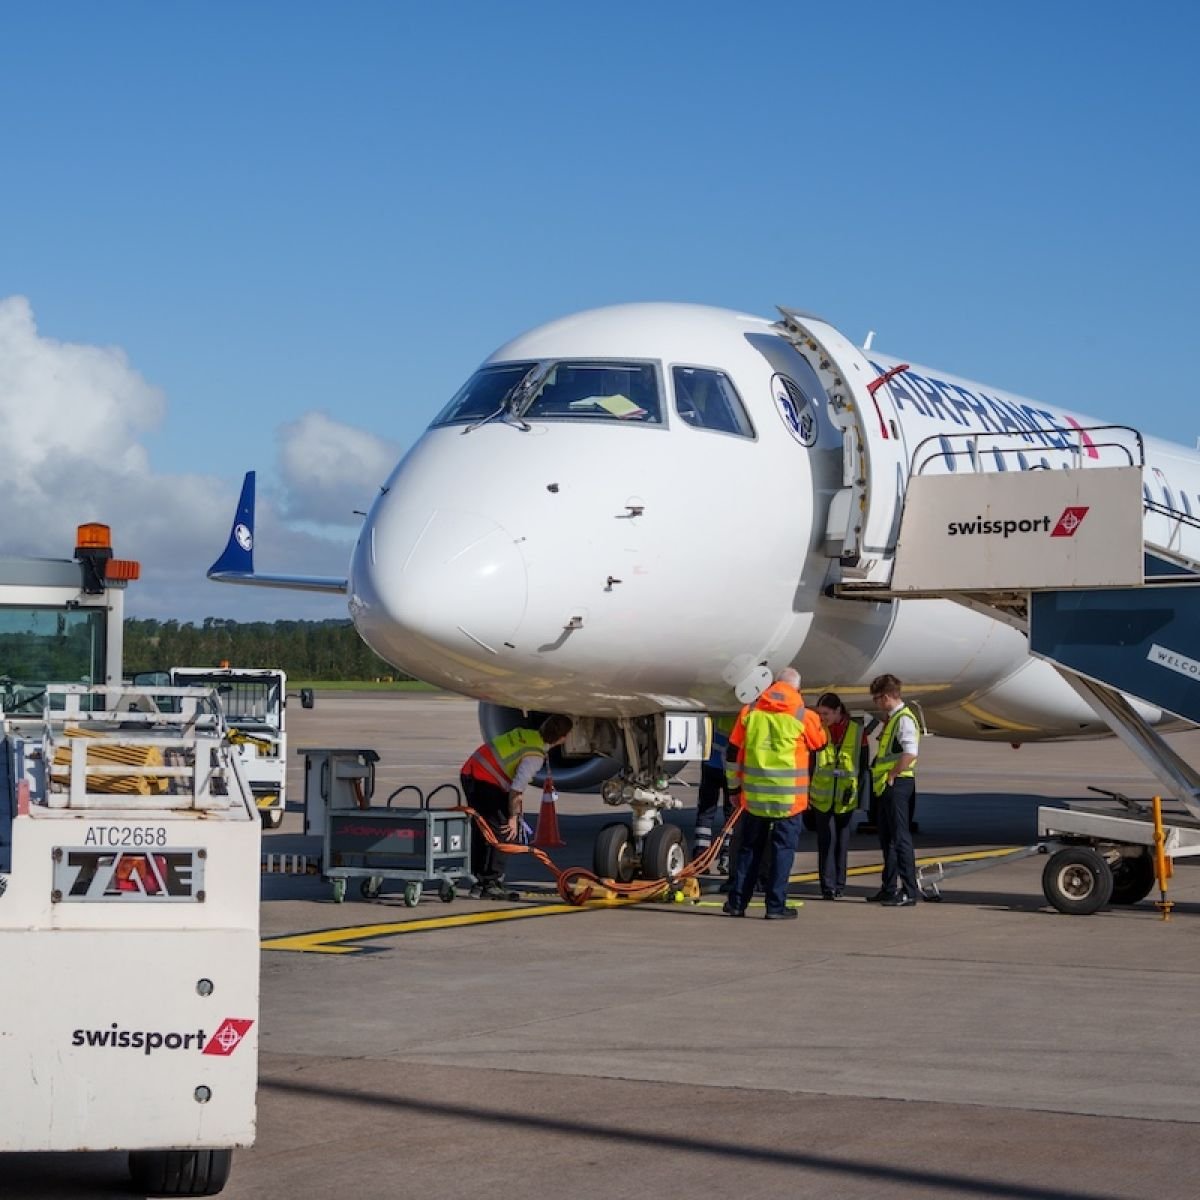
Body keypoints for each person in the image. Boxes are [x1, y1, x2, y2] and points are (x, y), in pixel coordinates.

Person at [722, 668, 826, 920]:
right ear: (797, 689)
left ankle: (737, 903)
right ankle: (775, 906)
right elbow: (820, 743)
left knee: (749, 850)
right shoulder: (803, 715)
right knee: (782, 852)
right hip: (789, 801)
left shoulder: (750, 713)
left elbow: (732, 754)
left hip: (755, 797)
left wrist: (734, 789)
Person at [460, 715, 574, 900]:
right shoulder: (534, 755)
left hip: (471, 772)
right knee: (503, 832)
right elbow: (516, 791)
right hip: (485, 780)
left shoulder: (527, 735)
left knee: (483, 831)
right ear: (562, 738)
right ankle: (491, 883)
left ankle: (479, 881)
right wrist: (513, 819)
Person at [866, 674, 920, 906]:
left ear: (887, 697)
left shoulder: (904, 720)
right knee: (887, 839)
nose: (876, 703)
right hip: (887, 787)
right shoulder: (893, 718)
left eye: (877, 698)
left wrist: (892, 774)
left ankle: (909, 890)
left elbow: (910, 753)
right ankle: (888, 888)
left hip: (898, 785)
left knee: (900, 839)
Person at [810, 692, 864, 900]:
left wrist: (862, 799)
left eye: (826, 713)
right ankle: (828, 886)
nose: (822, 718)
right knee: (826, 841)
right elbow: (810, 763)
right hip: (822, 797)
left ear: (838, 711)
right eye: (819, 714)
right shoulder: (817, 731)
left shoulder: (857, 732)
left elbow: (863, 766)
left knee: (842, 842)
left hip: (845, 796)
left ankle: (840, 885)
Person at [694, 713, 736, 875]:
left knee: (705, 812)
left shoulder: (715, 710)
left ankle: (700, 858)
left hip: (711, 763)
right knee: (731, 816)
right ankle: (726, 857)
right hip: (730, 769)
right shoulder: (740, 712)